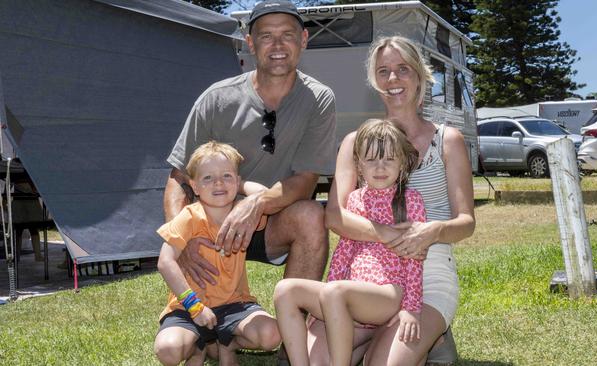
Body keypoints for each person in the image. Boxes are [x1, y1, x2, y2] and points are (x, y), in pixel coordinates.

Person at [163, 0, 336, 290]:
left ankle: (292, 328)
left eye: (288, 35)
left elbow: (305, 183)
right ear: (250, 44)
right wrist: (181, 239)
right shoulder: (216, 99)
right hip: (211, 226)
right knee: (202, 334)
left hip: (272, 222)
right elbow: (178, 179)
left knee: (311, 215)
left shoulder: (319, 99)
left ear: (303, 40)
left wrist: (256, 203)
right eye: (266, 36)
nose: (277, 45)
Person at [324, 36, 475, 365]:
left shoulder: (447, 141)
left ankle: (423, 333)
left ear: (420, 76)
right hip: (365, 276)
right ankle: (404, 340)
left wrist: (430, 232)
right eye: (383, 71)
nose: (393, 79)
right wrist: (388, 234)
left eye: (403, 69)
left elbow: (466, 223)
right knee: (317, 360)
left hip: (427, 269)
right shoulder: (355, 142)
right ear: (374, 80)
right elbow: (335, 217)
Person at [274, 119, 425, 366]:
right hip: (348, 295)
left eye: (388, 158)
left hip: (387, 294)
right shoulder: (354, 200)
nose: (380, 167)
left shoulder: (411, 201)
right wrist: (327, 301)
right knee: (286, 290)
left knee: (335, 291)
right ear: (358, 165)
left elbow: (415, 259)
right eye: (371, 159)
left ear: (403, 162)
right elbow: (345, 250)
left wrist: (411, 307)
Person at [155, 141, 281, 366]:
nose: (219, 183)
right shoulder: (189, 216)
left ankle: (227, 344)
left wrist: (241, 189)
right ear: (194, 186)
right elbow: (165, 262)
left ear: (237, 180)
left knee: (272, 334)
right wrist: (194, 306)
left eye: (226, 176)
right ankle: (197, 348)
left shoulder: (244, 217)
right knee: (168, 350)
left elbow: (265, 194)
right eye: (208, 178)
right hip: (189, 307)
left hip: (235, 304)